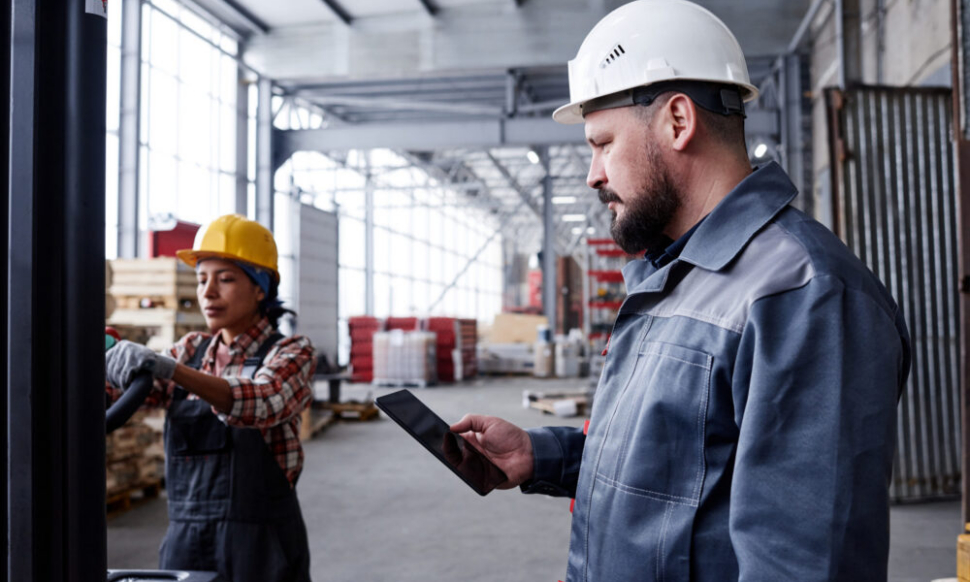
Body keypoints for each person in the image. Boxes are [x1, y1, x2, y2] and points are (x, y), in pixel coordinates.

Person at [451, 1, 911, 580]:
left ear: (677, 121)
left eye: (602, 143)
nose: (593, 174)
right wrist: (542, 455)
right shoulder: (675, 277)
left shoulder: (803, 295)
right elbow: (680, 470)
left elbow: (803, 563)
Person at [105, 214, 316, 582]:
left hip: (262, 545)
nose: (208, 292)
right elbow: (128, 393)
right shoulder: (191, 349)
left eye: (226, 279)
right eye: (202, 279)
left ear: (260, 288)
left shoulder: (290, 352)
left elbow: (263, 400)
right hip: (185, 539)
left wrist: (169, 369)